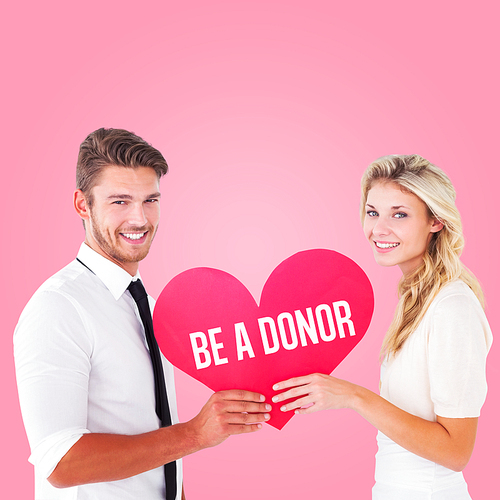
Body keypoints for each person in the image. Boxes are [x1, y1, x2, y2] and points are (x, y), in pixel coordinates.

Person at [14, 128, 271, 500]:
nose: (140, 218)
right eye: (120, 201)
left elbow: (155, 430)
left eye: (150, 200)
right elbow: (60, 463)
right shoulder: (58, 307)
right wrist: (196, 434)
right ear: (82, 205)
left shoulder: (146, 305)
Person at [272, 154, 492, 499]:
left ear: (436, 221)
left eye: (399, 214)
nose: (379, 229)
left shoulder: (452, 307)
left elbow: (456, 452)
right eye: (373, 212)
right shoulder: (415, 298)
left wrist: (353, 396)